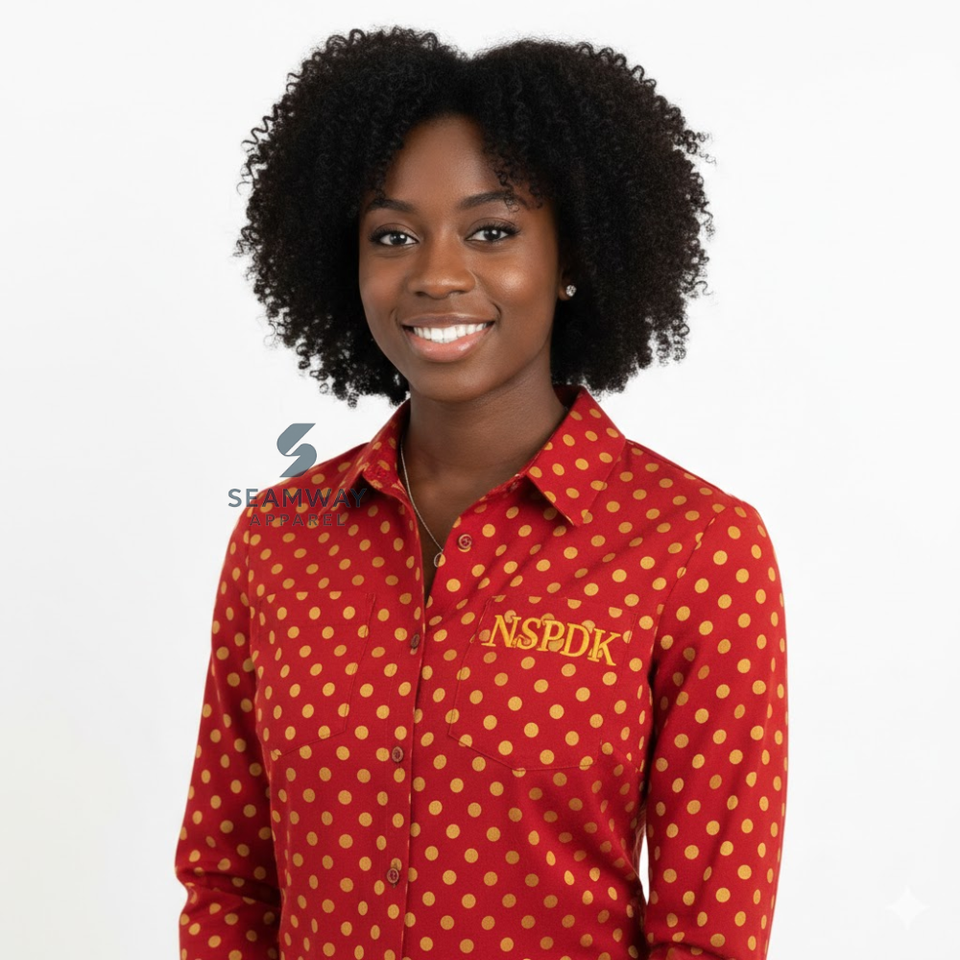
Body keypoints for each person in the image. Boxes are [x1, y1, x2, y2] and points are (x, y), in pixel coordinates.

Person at [174, 27, 789, 960]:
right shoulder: (278, 538)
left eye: (492, 231)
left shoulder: (698, 549)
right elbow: (231, 878)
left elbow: (709, 936)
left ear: (572, 256)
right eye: (393, 236)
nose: (436, 275)